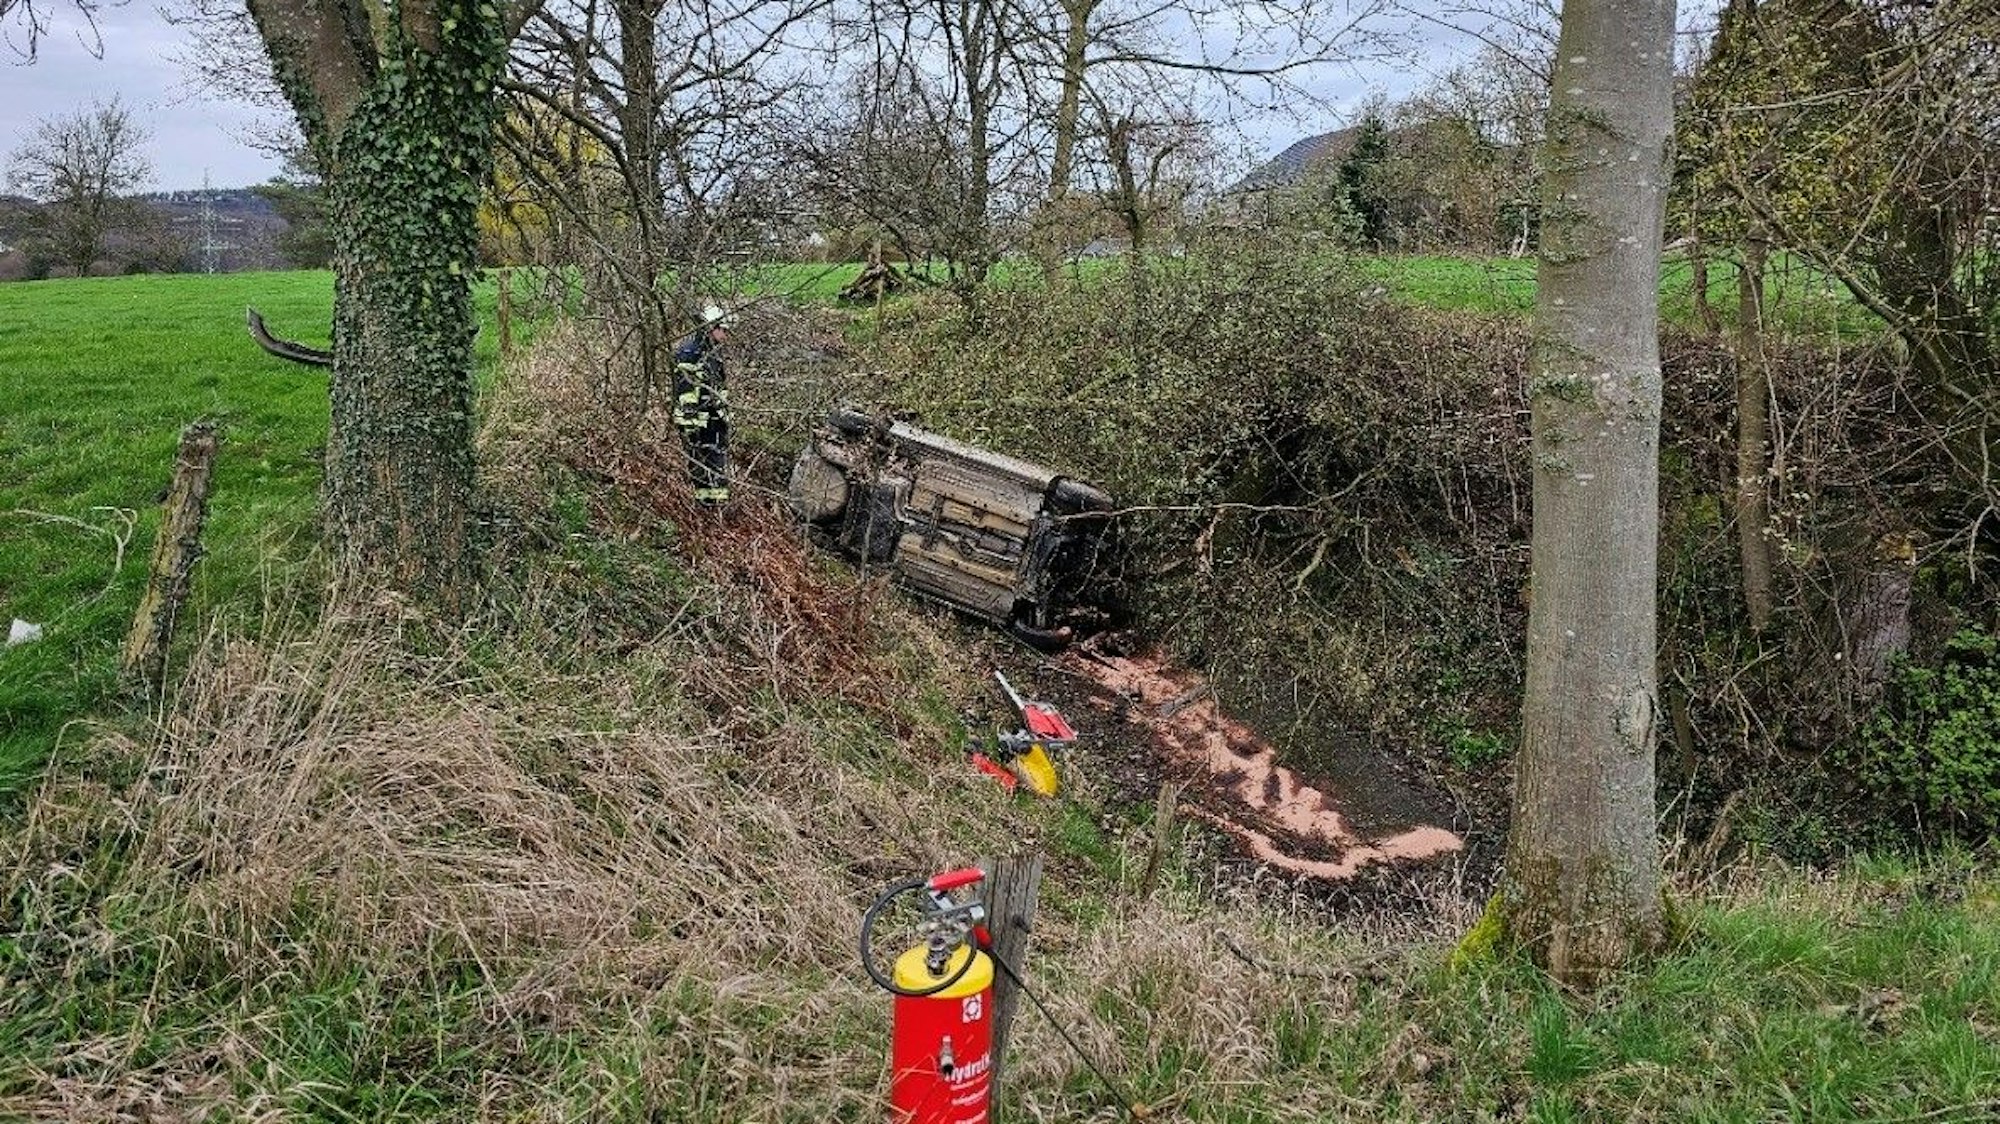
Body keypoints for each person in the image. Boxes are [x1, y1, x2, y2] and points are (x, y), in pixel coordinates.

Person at [672, 304, 734, 507]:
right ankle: (706, 509)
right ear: (710, 327)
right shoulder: (690, 352)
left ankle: (717, 510)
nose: (725, 335)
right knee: (700, 466)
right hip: (696, 422)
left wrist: (725, 416)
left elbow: (720, 388)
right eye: (723, 330)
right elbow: (684, 387)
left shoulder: (713, 353)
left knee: (717, 466)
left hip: (714, 421)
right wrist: (691, 421)